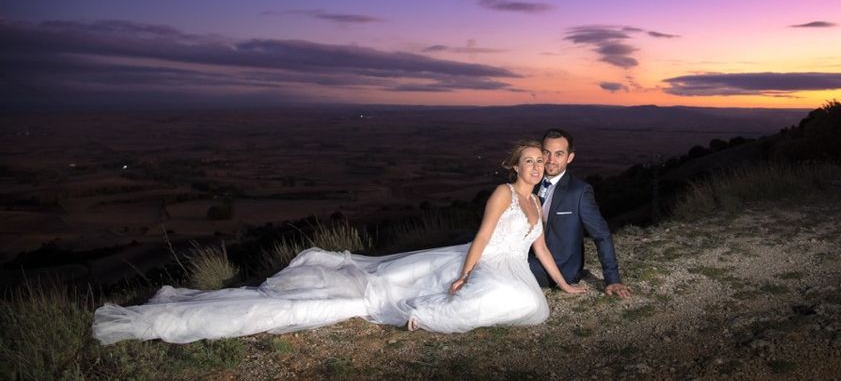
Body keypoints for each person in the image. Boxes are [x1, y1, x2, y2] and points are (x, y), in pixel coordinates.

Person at [93, 141, 585, 345]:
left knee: (531, 304)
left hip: (513, 267)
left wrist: (564, 287)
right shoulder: (502, 193)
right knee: (370, 291)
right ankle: (426, 310)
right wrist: (464, 271)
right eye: (529, 161)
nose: (537, 166)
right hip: (479, 261)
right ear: (513, 166)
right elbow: (480, 237)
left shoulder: (536, 204)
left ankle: (440, 304)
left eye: (542, 161)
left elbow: (538, 250)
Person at [528, 128, 631, 299]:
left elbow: (602, 235)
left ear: (570, 157)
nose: (551, 160)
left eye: (559, 154)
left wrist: (612, 278)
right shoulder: (531, 183)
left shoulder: (579, 191)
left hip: (560, 267)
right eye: (547, 153)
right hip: (531, 257)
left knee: (499, 265)